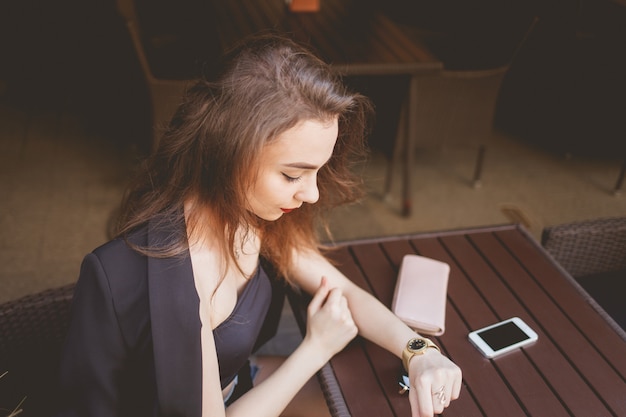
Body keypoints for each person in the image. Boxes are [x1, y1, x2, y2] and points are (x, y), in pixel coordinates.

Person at [56, 33, 462, 417]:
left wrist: (420, 352)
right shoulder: (175, 276)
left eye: (317, 171)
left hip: (241, 385)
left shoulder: (252, 215)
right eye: (292, 175)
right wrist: (314, 349)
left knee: (376, 399)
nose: (313, 194)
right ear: (227, 152)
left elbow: (343, 290)